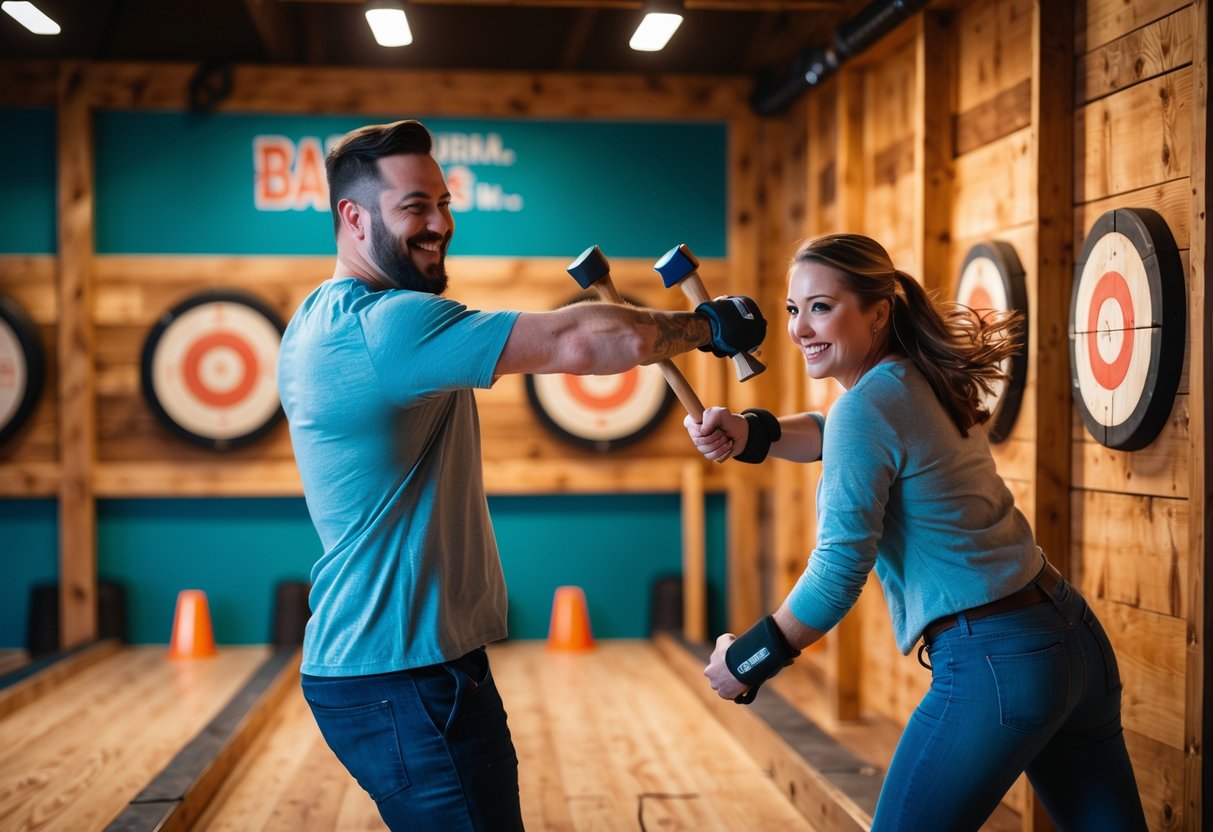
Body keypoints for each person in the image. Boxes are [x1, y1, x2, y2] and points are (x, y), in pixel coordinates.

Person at [276, 118, 766, 832]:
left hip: (407, 665)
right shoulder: (389, 327)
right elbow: (577, 337)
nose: (439, 223)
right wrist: (708, 326)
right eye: (415, 206)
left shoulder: (321, 317)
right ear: (352, 218)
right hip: (400, 674)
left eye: (442, 202)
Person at [684, 233, 1148, 830]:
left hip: (997, 661)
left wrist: (747, 660)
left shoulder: (867, 407)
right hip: (1071, 637)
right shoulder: (916, 376)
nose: (799, 328)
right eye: (795, 309)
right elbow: (841, 433)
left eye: (821, 307)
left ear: (878, 312)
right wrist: (754, 433)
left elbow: (837, 573)